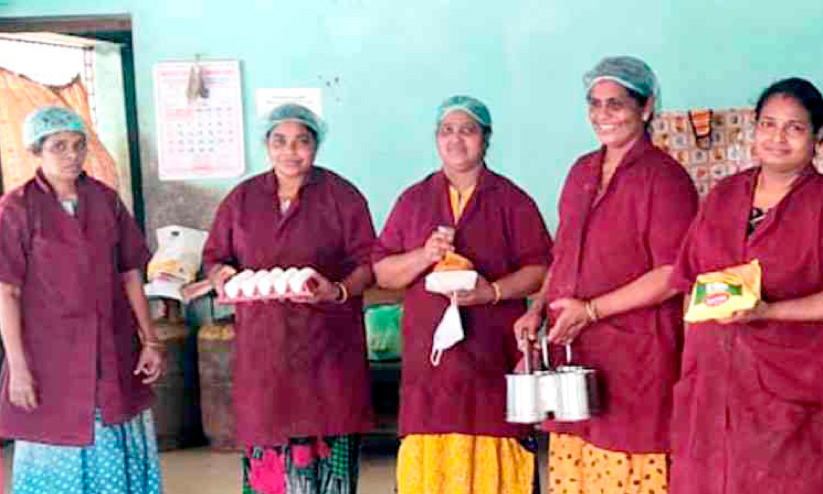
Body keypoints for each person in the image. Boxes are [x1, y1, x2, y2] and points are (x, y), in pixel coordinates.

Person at [514, 56, 698, 494]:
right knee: (575, 469)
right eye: (594, 104)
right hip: (576, 354)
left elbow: (673, 272)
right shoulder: (582, 171)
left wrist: (592, 310)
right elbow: (563, 255)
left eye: (615, 104)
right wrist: (537, 310)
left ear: (646, 107)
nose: (602, 115)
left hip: (637, 358)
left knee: (628, 469)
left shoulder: (665, 179)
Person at [373, 95, 553, 494]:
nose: (456, 140)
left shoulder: (511, 200)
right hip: (430, 367)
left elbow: (541, 270)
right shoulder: (414, 200)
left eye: (467, 130)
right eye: (446, 131)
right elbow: (383, 272)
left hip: (491, 358)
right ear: (436, 138)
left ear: (486, 139)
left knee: (497, 453)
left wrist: (493, 292)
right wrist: (424, 255)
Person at [202, 103, 375, 494]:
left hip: (327, 350)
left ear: (316, 145)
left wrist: (338, 290)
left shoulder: (342, 196)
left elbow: (369, 262)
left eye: (301, 141)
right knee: (269, 450)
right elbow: (214, 257)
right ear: (266, 144)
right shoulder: (242, 199)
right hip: (264, 352)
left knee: (329, 452)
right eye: (279, 141)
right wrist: (220, 275)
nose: (290, 151)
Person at [669, 77, 823, 494]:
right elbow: (689, 280)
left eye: (794, 127)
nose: (778, 137)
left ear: (817, 137)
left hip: (789, 389)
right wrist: (692, 364)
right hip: (710, 383)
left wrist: (771, 311)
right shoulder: (725, 194)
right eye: (768, 124)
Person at [0, 106, 165, 494]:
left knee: (118, 437)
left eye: (78, 145)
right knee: (57, 444)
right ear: (36, 151)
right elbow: (6, 291)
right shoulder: (16, 209)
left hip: (113, 346)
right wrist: (18, 367)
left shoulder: (106, 201)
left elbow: (129, 273)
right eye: (58, 146)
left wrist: (150, 340)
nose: (72, 155)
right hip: (49, 357)